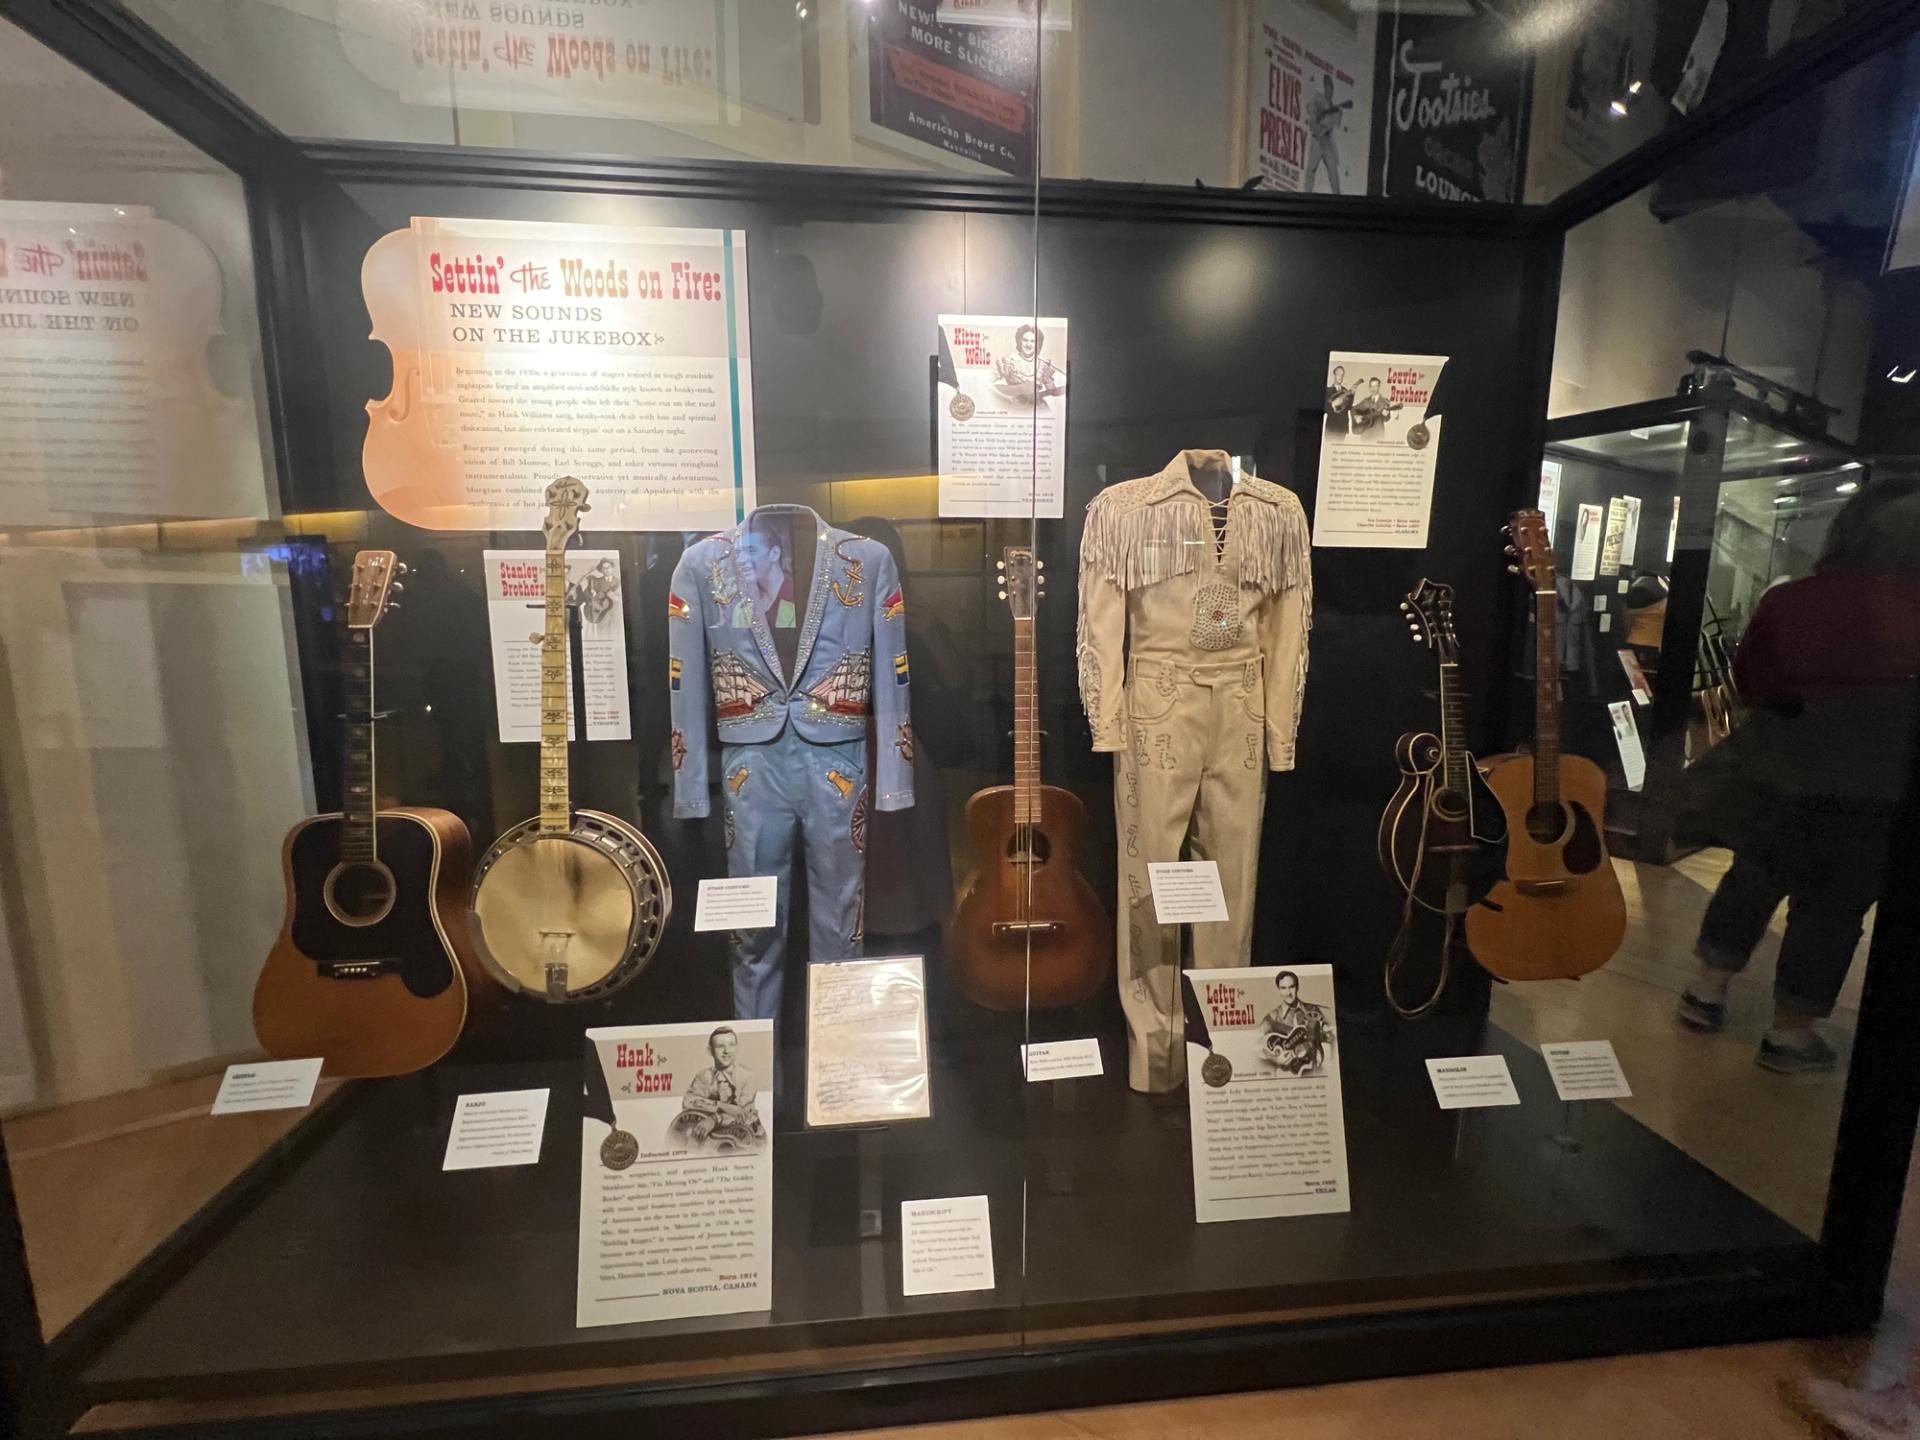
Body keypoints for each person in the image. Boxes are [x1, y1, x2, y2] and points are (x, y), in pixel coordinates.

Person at [1676, 477, 1920, 1072]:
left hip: (1776, 779)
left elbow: (1754, 684)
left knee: (1752, 878)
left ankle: (1707, 991)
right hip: (1873, 791)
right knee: (1832, 911)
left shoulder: (1792, 599)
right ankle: (1790, 1033)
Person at [674, 1026, 766, 1148]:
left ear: (737, 1047)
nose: (726, 1051)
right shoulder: (703, 1077)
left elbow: (741, 1113)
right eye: (720, 1046)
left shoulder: (748, 1077)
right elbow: (688, 1101)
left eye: (731, 1045)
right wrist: (723, 1106)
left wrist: (714, 1120)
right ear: (710, 1050)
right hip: (710, 1141)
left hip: (748, 1139)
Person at [1259, 970, 1332, 1075]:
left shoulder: (1313, 1009)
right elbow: (1254, 1048)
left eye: (1292, 987)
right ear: (1279, 990)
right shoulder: (1272, 1018)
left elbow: (1331, 1037)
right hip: (1289, 1075)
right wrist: (1274, 1059)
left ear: (1297, 987)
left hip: (1316, 1070)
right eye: (1283, 988)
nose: (1288, 993)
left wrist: (1325, 1035)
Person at [992, 323, 1064, 403]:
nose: (1028, 344)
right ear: (1019, 341)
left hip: (1037, 409)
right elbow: (989, 385)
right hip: (1012, 407)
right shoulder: (1008, 362)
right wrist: (1010, 396)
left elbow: (1052, 391)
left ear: (1038, 344)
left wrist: (1068, 388)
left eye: (1032, 341)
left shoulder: (1043, 366)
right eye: (1025, 340)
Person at [1304, 74, 1351, 194]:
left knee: (1333, 171)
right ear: (1325, 88)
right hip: (1317, 140)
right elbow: (1309, 108)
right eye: (1327, 87)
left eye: (1331, 87)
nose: (1329, 90)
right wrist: (1318, 112)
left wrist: (1339, 111)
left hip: (1327, 142)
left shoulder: (1334, 107)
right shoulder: (1319, 99)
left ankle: (1337, 196)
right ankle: (1306, 194)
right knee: (1311, 170)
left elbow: (1337, 125)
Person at [1325, 363, 1354, 439]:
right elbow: (1325, 409)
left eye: (1342, 375)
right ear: (1334, 375)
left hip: (1342, 428)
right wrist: (1333, 404)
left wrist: (1352, 396)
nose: (1340, 377)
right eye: (1338, 374)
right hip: (1331, 428)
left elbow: (1349, 408)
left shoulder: (1346, 391)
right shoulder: (1328, 391)